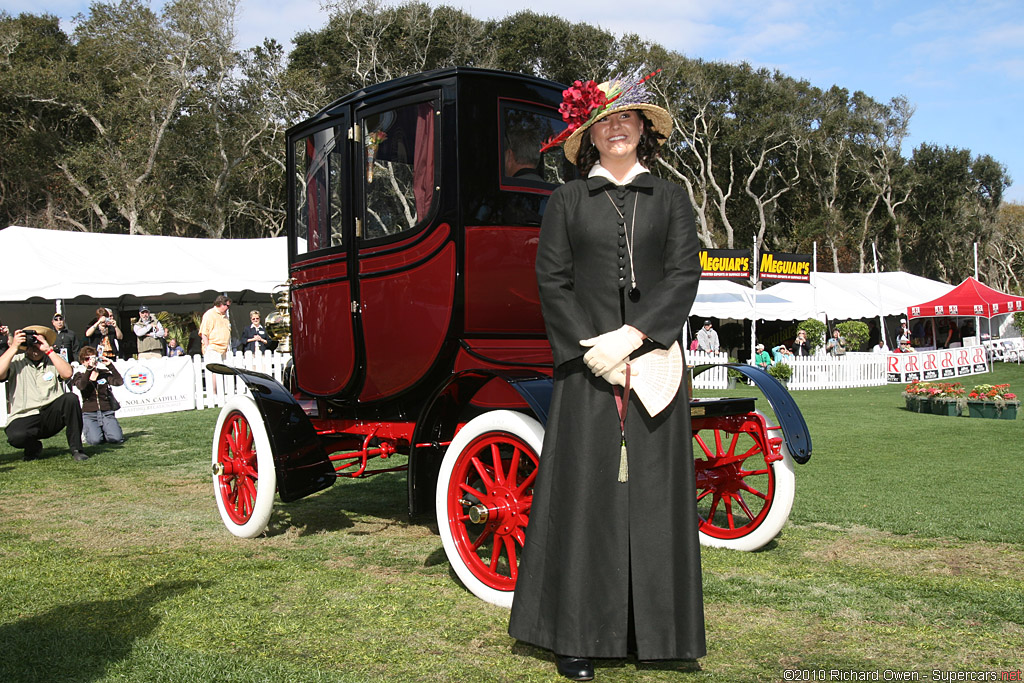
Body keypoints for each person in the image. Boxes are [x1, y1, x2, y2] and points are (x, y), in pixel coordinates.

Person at [508, 71, 705, 680]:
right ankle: (576, 636)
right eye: (605, 122)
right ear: (589, 137)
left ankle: (660, 635)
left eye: (629, 119)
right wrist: (594, 350)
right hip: (586, 371)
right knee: (588, 498)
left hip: (656, 364)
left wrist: (636, 335)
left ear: (643, 130)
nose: (617, 128)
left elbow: (682, 276)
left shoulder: (671, 198)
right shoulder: (566, 202)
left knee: (654, 498)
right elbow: (552, 282)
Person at [1, 325, 88, 461]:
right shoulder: (16, 361)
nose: (35, 347)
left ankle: (77, 449)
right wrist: (14, 347)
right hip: (25, 414)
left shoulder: (53, 360)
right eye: (31, 343)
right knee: (16, 437)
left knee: (70, 398)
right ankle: (33, 447)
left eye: (38, 342)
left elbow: (67, 373)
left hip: (50, 413)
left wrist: (48, 350)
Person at [72, 345, 124, 445]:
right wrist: (89, 370)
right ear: (82, 361)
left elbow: (119, 382)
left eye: (93, 358)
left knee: (116, 439)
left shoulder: (103, 373)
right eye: (87, 359)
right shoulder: (79, 375)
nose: (90, 361)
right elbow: (82, 386)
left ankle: (106, 430)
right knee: (95, 441)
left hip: (106, 412)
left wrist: (110, 365)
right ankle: (89, 431)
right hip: (89, 413)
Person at [199, 294, 232, 394]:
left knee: (222, 371)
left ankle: (222, 392)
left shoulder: (225, 316)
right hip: (213, 347)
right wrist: (208, 347)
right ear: (221, 304)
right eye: (227, 306)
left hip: (224, 349)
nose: (228, 308)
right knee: (214, 372)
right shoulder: (209, 314)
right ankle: (214, 393)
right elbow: (204, 332)